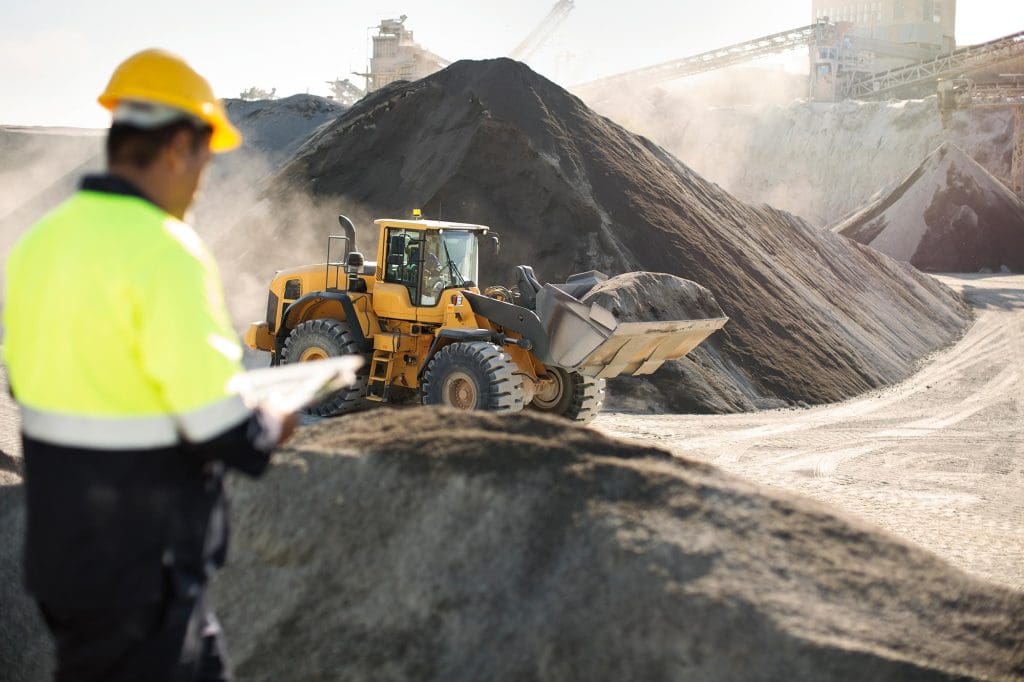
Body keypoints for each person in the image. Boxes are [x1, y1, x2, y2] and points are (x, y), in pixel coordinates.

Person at [2, 49, 297, 681]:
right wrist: (270, 418)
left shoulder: (38, 245)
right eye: (204, 163)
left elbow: (25, 382)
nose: (201, 181)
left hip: (60, 561)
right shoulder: (167, 252)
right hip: (140, 568)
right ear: (177, 149)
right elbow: (221, 428)